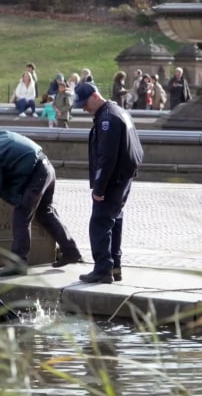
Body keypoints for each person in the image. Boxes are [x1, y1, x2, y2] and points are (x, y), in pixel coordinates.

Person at [0, 130, 84, 275]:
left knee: (21, 216)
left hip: (36, 175)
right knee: (45, 213)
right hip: (46, 167)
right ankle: (71, 251)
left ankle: (18, 264)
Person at [72, 83, 144, 284]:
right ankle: (115, 267)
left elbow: (106, 157)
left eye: (85, 104)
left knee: (100, 222)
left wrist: (99, 187)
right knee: (115, 219)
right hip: (124, 177)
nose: (84, 108)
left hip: (113, 180)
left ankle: (103, 269)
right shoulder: (118, 111)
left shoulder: (107, 119)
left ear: (95, 96)